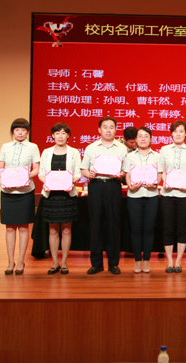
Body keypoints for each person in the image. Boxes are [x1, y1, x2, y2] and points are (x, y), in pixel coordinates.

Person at [80, 116, 128, 275]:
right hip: (96, 186)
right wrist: (89, 174)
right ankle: (96, 264)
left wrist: (120, 174)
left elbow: (126, 170)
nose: (108, 130)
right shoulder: (91, 148)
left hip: (113, 187)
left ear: (115, 130)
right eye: (105, 127)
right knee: (95, 225)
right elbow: (83, 169)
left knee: (114, 225)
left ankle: (113, 264)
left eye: (111, 127)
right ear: (99, 130)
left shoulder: (122, 148)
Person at [0, 118, 40, 275]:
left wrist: (24, 176)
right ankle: (10, 261)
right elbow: (0, 167)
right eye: (17, 130)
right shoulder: (5, 147)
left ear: (27, 132)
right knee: (9, 228)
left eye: (23, 130)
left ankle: (21, 261)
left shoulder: (33, 147)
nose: (20, 133)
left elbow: (36, 169)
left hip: (25, 191)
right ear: (12, 131)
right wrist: (5, 177)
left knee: (23, 227)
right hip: (8, 192)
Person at [39, 122, 81, 275]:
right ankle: (54, 263)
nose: (60, 136)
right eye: (57, 133)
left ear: (68, 135)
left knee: (66, 230)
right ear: (52, 135)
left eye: (63, 133)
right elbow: (41, 173)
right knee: (52, 230)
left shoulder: (74, 152)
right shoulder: (46, 152)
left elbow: (78, 173)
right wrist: (47, 182)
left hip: (67, 194)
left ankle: (64, 263)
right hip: (51, 195)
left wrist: (72, 181)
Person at [158, 120, 186, 273]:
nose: (178, 134)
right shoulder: (164, 150)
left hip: (184, 195)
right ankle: (169, 261)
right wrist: (165, 182)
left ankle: (179, 261)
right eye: (175, 131)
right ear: (171, 133)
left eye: (181, 131)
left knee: (182, 228)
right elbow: (162, 171)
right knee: (168, 228)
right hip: (167, 195)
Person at [123, 127, 161, 273]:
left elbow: (159, 175)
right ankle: (138, 260)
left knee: (149, 229)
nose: (143, 139)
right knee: (136, 229)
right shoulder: (129, 156)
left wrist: (155, 183)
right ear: (136, 139)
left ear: (151, 139)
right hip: (134, 196)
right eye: (140, 136)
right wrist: (130, 185)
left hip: (151, 196)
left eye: (146, 136)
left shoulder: (157, 156)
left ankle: (147, 260)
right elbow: (127, 174)